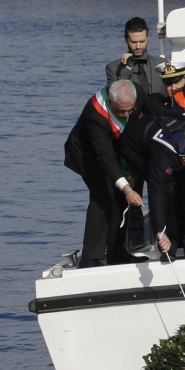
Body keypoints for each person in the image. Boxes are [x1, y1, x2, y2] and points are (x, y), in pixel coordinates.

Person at [64, 80, 144, 267]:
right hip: (88, 156)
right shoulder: (96, 113)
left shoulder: (136, 93)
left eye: (129, 110)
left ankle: (116, 252)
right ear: (111, 102)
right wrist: (127, 189)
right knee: (103, 198)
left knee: (119, 200)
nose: (126, 115)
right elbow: (105, 156)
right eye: (121, 111)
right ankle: (90, 257)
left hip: (115, 151)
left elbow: (151, 107)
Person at [124, 116, 185, 261]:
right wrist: (160, 230)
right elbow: (157, 192)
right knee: (169, 190)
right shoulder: (164, 154)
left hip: (177, 151)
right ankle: (169, 245)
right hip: (136, 149)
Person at [106, 17, 165, 96]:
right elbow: (116, 98)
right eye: (133, 42)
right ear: (126, 40)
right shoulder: (113, 68)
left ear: (148, 37)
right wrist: (126, 69)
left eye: (142, 41)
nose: (138, 46)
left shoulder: (161, 64)